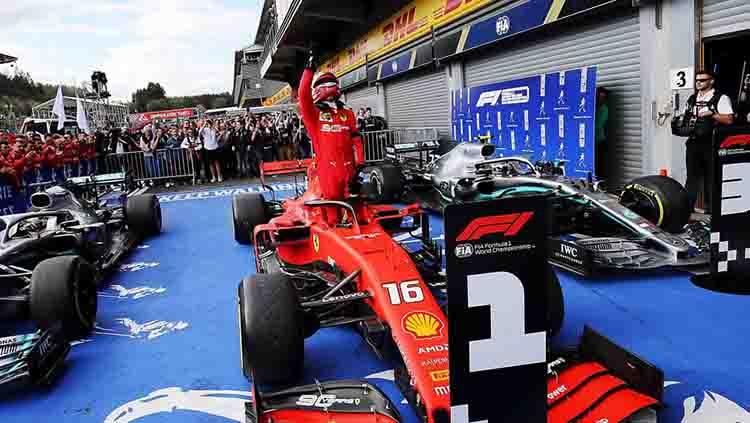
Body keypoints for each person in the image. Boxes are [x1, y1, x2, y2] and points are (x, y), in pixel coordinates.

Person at [298, 52, 365, 201]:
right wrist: (308, 70)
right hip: (327, 173)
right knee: (332, 208)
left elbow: (356, 139)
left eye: (331, 83)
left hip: (349, 170)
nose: (328, 86)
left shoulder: (347, 113)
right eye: (325, 83)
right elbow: (302, 97)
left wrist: (360, 164)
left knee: (354, 204)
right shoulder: (314, 114)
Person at [682, 70, 734, 213]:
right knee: (692, 178)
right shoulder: (692, 99)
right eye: (697, 80)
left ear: (711, 81)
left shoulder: (721, 98)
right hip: (693, 143)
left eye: (702, 80)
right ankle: (687, 210)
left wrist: (712, 114)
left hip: (711, 143)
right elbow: (686, 117)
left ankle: (712, 211)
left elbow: (729, 119)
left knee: (712, 177)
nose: (698, 82)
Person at [594, 87, 610, 179]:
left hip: (599, 141)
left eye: (604, 97)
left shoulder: (604, 109)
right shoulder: (592, 107)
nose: (602, 99)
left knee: (599, 166)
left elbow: (598, 124)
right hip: (591, 143)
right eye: (600, 96)